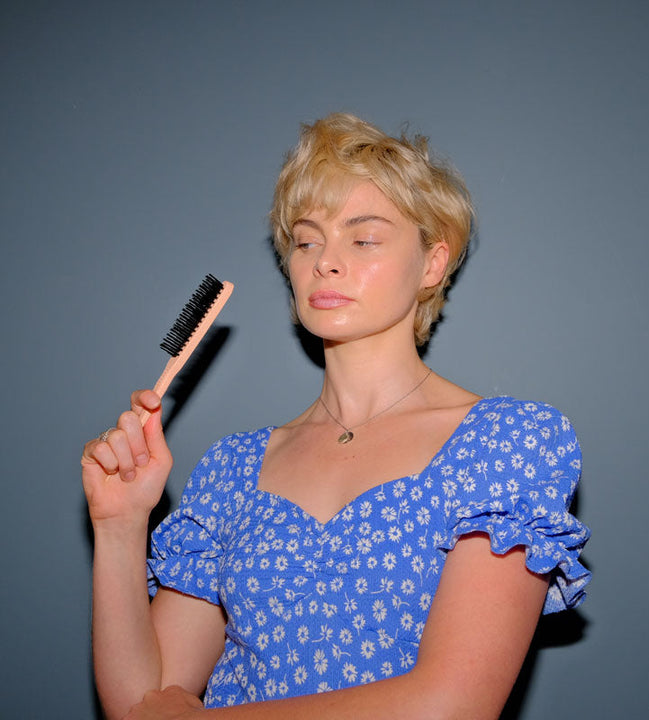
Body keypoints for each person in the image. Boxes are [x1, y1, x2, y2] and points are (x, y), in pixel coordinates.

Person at [82, 113, 591, 720]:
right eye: (307, 240)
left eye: (364, 238)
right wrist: (119, 525)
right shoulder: (232, 469)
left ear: (432, 263)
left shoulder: (506, 444)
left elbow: (451, 705)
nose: (325, 261)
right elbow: (142, 702)